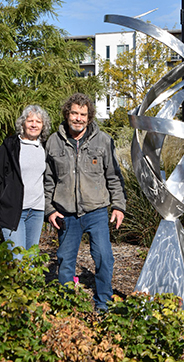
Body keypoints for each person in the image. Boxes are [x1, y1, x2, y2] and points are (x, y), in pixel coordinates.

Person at [44, 93, 126, 310]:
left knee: (104, 259)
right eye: (74, 113)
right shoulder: (53, 141)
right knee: (64, 262)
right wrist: (49, 210)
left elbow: (114, 176)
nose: (78, 118)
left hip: (96, 211)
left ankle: (103, 305)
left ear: (89, 117)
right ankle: (66, 306)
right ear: (67, 114)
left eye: (83, 114)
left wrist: (118, 206)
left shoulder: (104, 141)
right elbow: (47, 180)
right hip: (66, 214)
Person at [0, 104, 50, 258]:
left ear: (43, 126)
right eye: (30, 121)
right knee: (17, 259)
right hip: (13, 211)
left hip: (36, 211)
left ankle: (30, 283)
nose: (34, 125)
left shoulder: (45, 147)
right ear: (23, 123)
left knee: (31, 258)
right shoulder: (10, 146)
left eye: (38, 122)